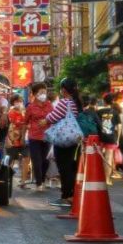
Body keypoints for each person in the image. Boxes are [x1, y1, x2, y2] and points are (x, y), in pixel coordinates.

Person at [45, 78, 84, 208]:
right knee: (71, 167)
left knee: (64, 168)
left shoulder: (65, 102)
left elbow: (53, 117)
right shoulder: (77, 102)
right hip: (74, 139)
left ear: (63, 89)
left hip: (63, 140)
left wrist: (44, 120)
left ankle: (67, 196)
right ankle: (72, 195)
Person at [25, 82, 53, 192]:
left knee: (46, 161)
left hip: (47, 137)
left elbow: (54, 118)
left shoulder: (49, 105)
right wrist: (24, 135)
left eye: (45, 92)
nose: (43, 94)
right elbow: (25, 122)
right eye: (41, 92)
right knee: (36, 161)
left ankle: (42, 179)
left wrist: (47, 121)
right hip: (34, 137)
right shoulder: (30, 107)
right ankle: (39, 183)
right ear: (35, 94)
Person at [7, 94, 30, 188]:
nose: (19, 103)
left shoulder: (25, 111)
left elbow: (27, 122)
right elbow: (13, 124)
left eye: (20, 101)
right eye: (17, 101)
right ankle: (8, 179)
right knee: (11, 160)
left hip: (24, 138)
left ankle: (23, 182)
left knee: (26, 158)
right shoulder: (10, 112)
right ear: (13, 103)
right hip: (13, 139)